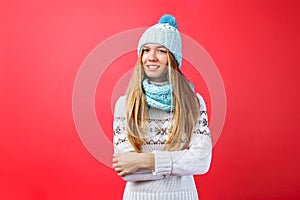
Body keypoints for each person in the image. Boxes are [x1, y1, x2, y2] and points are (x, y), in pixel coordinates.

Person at [112, 14, 212, 200]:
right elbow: (127, 170)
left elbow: (201, 161)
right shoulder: (125, 105)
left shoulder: (194, 102)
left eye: (161, 51)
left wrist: (146, 160)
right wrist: (180, 163)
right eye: (146, 50)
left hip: (184, 196)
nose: (151, 58)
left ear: (173, 58)